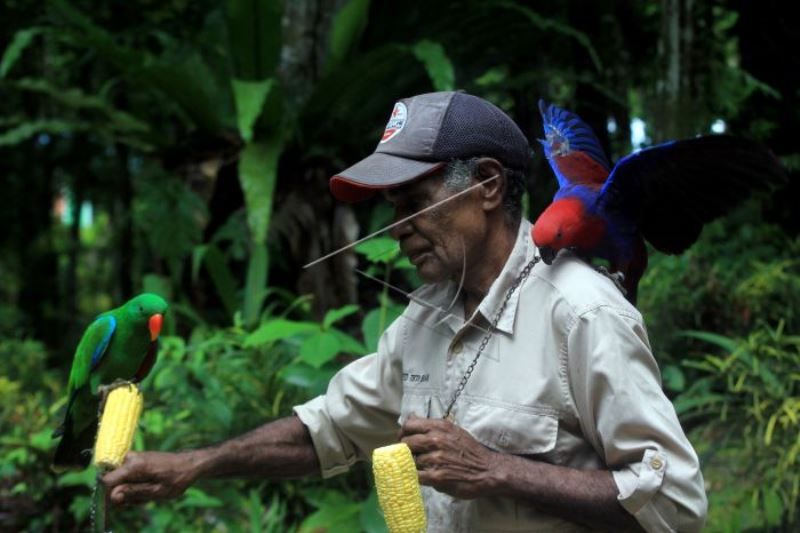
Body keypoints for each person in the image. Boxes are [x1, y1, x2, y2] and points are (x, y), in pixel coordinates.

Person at [103, 91, 707, 532]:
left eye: (415, 202)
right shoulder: (424, 320)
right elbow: (329, 431)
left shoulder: (582, 314)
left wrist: (498, 471)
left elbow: (677, 503)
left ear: (489, 185)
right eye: (392, 210)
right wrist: (194, 465)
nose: (399, 231)